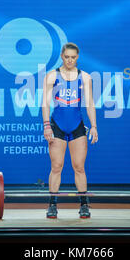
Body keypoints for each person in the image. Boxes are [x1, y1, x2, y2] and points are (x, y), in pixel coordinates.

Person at [42, 42, 98, 219]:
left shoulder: (86, 77)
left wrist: (94, 126)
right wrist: (46, 125)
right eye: (67, 57)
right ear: (61, 56)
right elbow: (45, 103)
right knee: (56, 166)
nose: (70, 60)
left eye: (73, 57)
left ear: (78, 57)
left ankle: (83, 205)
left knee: (79, 167)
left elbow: (90, 103)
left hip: (77, 126)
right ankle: (52, 205)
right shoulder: (52, 76)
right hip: (57, 125)